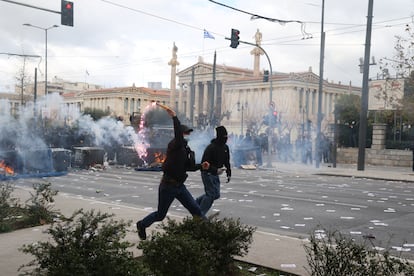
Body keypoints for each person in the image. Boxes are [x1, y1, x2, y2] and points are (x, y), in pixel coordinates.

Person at [136, 103, 209, 240]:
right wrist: (174, 117)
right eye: (186, 133)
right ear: (180, 134)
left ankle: (208, 234)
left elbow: (188, 167)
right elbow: (178, 136)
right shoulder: (175, 144)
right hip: (168, 186)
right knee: (160, 215)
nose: (188, 135)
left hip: (180, 186)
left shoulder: (185, 149)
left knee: (196, 211)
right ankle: (142, 224)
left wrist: (201, 166)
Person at [196, 126, 231, 216]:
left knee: (216, 194)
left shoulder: (225, 148)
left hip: (216, 173)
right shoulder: (211, 148)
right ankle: (200, 215)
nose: (225, 139)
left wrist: (229, 173)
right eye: (224, 137)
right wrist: (215, 170)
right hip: (207, 173)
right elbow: (204, 163)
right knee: (211, 194)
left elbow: (227, 161)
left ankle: (196, 203)